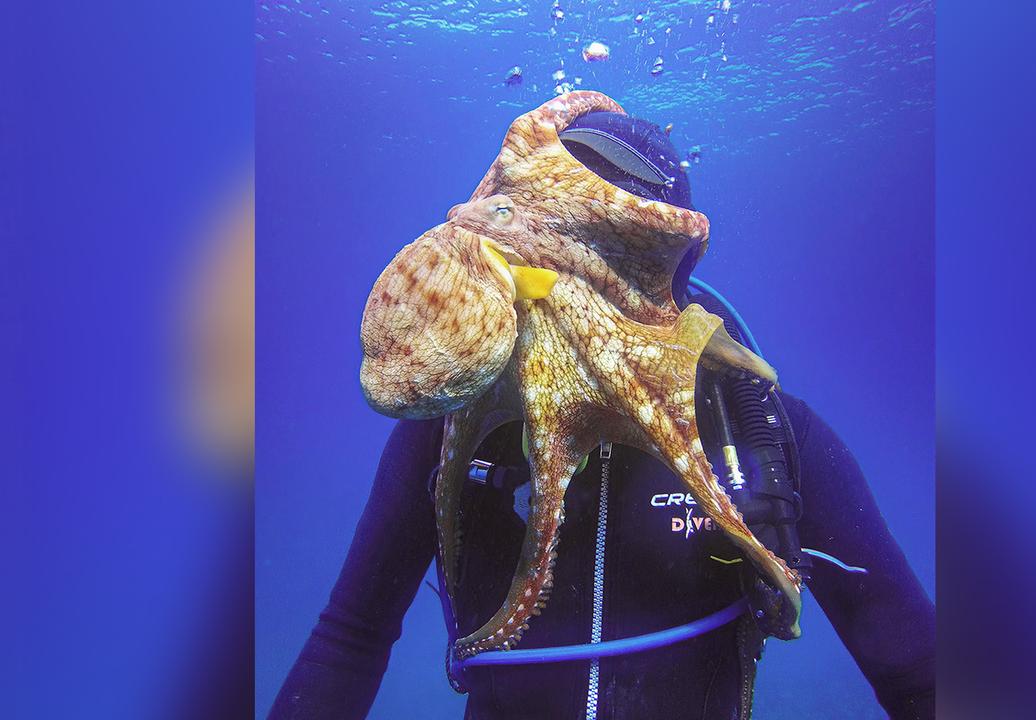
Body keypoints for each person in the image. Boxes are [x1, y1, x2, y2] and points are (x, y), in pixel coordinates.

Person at [268, 112, 935, 720]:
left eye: (615, 247)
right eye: (545, 238)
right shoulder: (448, 433)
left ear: (673, 268)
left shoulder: (762, 433)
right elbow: (350, 638)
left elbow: (918, 672)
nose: (569, 280)